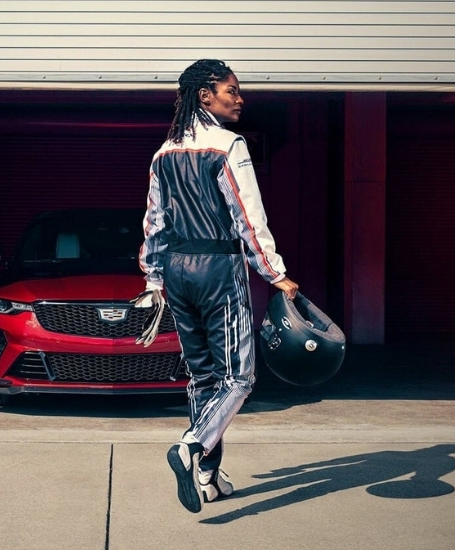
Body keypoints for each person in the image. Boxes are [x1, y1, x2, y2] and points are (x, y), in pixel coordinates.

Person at [136, 59, 299, 513]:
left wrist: (153, 278)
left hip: (174, 270)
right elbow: (249, 216)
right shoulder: (229, 146)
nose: (240, 99)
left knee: (204, 378)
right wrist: (275, 272)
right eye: (232, 90)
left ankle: (207, 477)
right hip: (218, 267)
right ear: (205, 96)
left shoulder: (163, 152)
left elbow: (154, 221)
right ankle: (191, 447)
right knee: (240, 377)